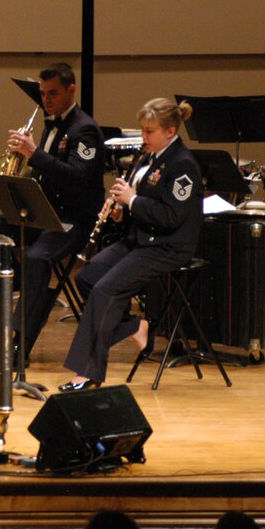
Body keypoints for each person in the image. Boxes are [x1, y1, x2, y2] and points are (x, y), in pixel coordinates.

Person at [61, 97, 201, 390]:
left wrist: (132, 200)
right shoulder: (151, 156)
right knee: (88, 277)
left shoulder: (183, 166)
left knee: (105, 291)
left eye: (149, 131)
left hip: (168, 246)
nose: (143, 137)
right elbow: (143, 203)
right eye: (143, 130)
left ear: (170, 132)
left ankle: (88, 374)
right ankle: (135, 326)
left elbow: (172, 216)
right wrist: (121, 209)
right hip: (142, 239)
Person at [0, 63, 105, 365]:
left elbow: (78, 179)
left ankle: (20, 343)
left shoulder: (85, 129)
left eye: (53, 94)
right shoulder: (51, 123)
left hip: (75, 219)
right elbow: (45, 172)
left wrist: (35, 154)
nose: (46, 99)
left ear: (71, 90)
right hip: (43, 212)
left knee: (36, 258)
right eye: (43, 93)